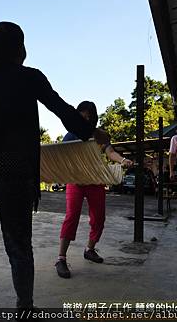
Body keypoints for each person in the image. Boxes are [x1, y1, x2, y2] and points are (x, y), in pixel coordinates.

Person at [0, 22, 103, 321]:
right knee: (19, 249)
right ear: (20, 48)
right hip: (13, 176)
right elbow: (62, 110)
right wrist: (91, 131)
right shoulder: (30, 77)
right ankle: (24, 310)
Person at [55, 101, 133, 279]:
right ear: (77, 115)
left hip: (95, 180)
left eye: (89, 115)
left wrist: (122, 160)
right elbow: (63, 159)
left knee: (99, 217)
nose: (86, 118)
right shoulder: (70, 136)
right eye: (82, 114)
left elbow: (110, 152)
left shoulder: (99, 135)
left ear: (93, 118)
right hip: (75, 181)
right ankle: (61, 259)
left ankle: (89, 249)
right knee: (71, 216)